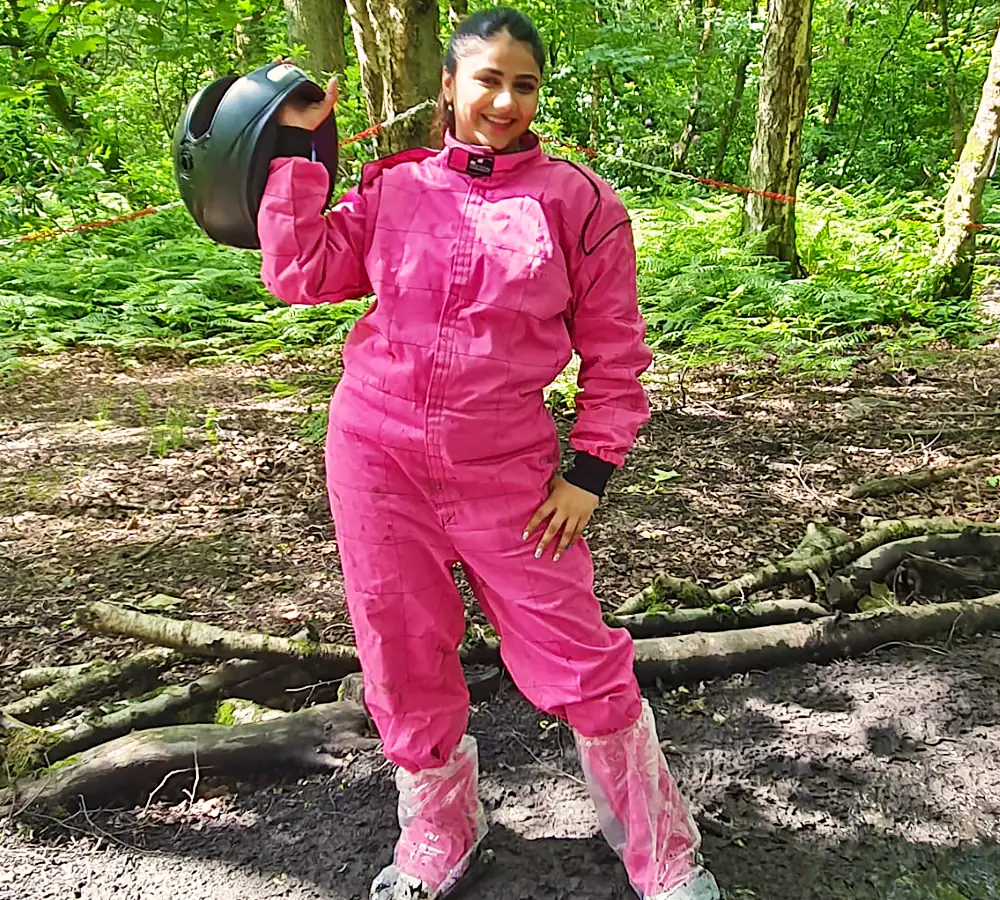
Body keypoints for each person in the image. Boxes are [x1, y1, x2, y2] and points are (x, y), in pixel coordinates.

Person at [256, 7, 721, 900]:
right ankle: (439, 831)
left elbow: (618, 353)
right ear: (450, 87)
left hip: (505, 469)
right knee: (399, 648)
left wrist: (589, 470)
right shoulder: (396, 189)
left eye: (524, 84)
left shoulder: (578, 203)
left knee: (580, 657)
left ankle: (660, 850)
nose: (505, 100)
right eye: (488, 79)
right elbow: (300, 273)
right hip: (374, 455)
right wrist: (297, 153)